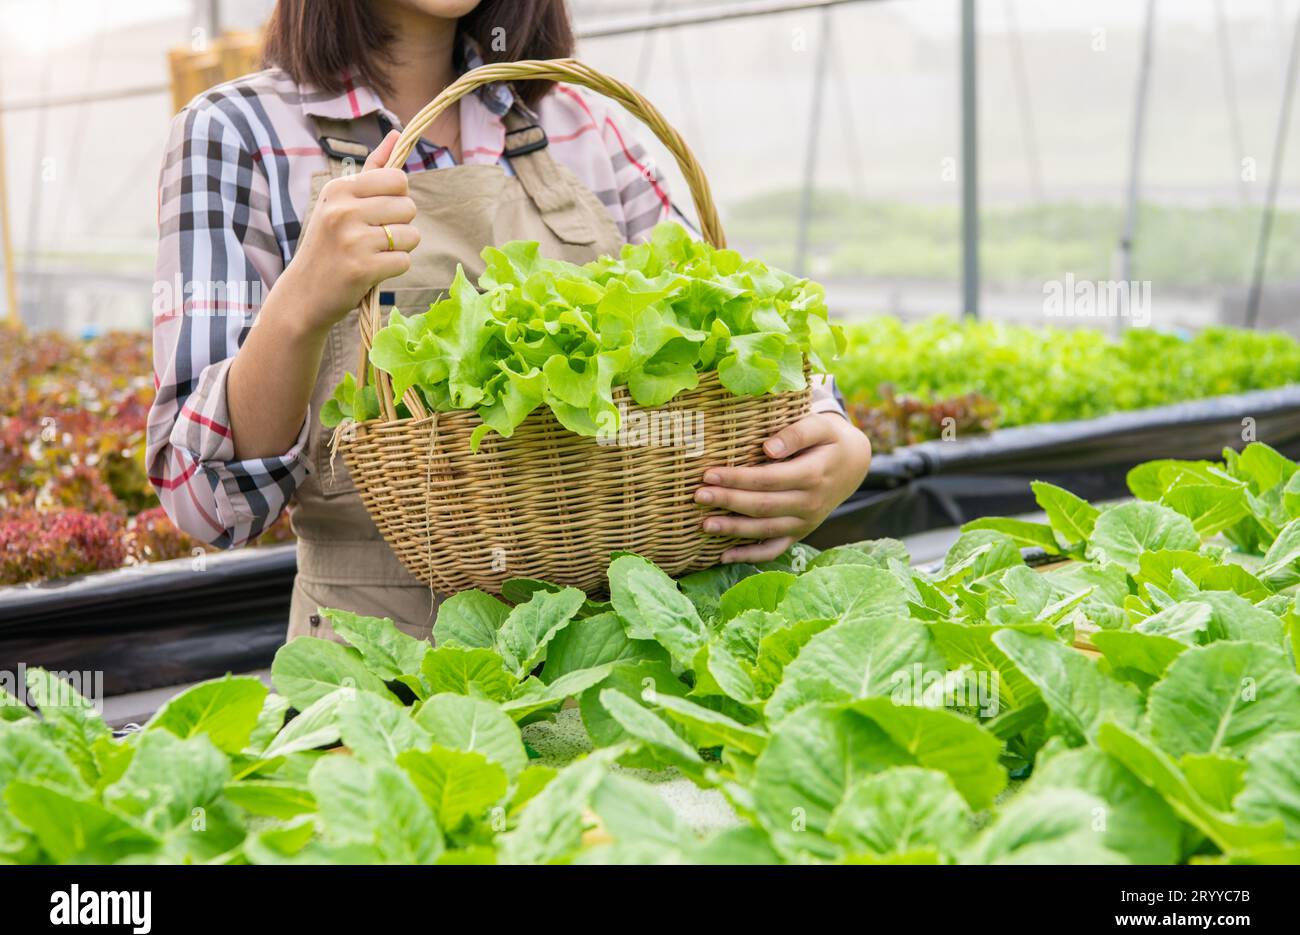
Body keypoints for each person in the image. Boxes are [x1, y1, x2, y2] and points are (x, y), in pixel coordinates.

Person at [146, 0, 873, 642]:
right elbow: (207, 504)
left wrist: (831, 446)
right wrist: (299, 306)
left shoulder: (579, 122)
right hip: (384, 686)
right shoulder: (233, 134)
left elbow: (732, 318)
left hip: (620, 661)